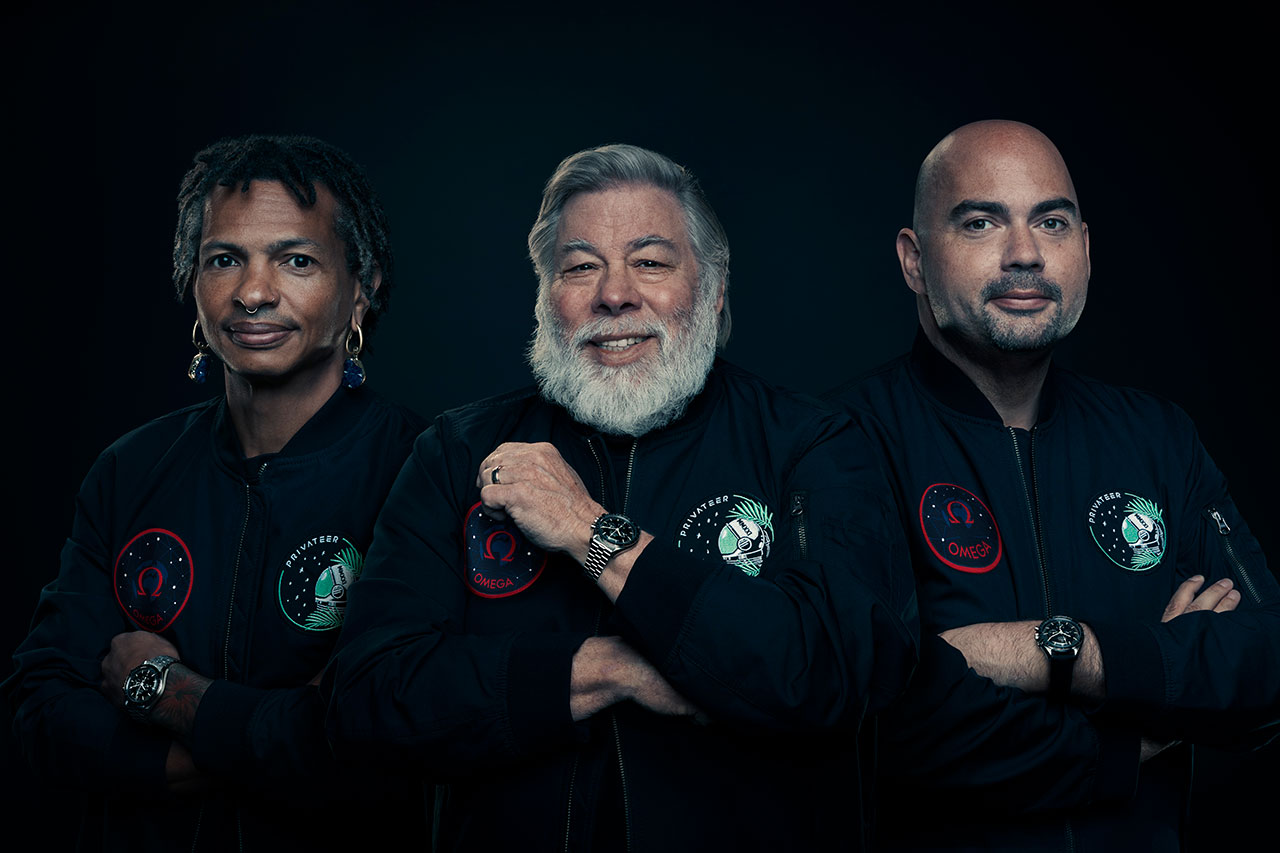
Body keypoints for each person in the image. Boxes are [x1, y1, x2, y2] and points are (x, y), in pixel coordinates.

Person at [324, 143, 917, 852]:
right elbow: (366, 699)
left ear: (715, 287)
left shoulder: (813, 442)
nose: (614, 294)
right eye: (580, 267)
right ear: (547, 294)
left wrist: (586, 528)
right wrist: (606, 671)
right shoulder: (457, 449)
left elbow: (833, 672)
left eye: (651, 261)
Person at [828, 120, 1278, 850]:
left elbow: (1265, 662)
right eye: (981, 222)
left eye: (1052, 221)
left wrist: (1064, 652)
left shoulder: (1156, 436)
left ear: (1086, 249)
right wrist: (1134, 732)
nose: (1026, 254)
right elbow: (885, 719)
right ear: (914, 259)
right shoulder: (842, 440)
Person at [5, 135, 427, 850]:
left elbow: (375, 740)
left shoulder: (422, 468)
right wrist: (260, 745)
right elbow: (42, 708)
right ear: (190, 284)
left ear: (362, 287)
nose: (254, 291)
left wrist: (158, 689)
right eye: (224, 259)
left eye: (297, 260)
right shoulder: (130, 470)